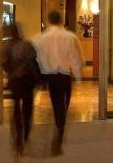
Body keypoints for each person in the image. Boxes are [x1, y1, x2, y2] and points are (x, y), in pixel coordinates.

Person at [34, 10, 84, 156]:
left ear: (48, 21)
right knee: (63, 106)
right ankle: (58, 138)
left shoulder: (40, 38)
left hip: (49, 77)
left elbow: (36, 58)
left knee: (57, 104)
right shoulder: (69, 37)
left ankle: (57, 129)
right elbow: (75, 58)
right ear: (61, 21)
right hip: (64, 77)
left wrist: (41, 77)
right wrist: (78, 76)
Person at [0, 23, 41, 157]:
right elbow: (36, 61)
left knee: (16, 109)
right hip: (27, 82)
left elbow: (4, 65)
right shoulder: (28, 45)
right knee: (27, 110)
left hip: (15, 82)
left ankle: (18, 139)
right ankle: (25, 136)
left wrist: (13, 70)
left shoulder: (5, 47)